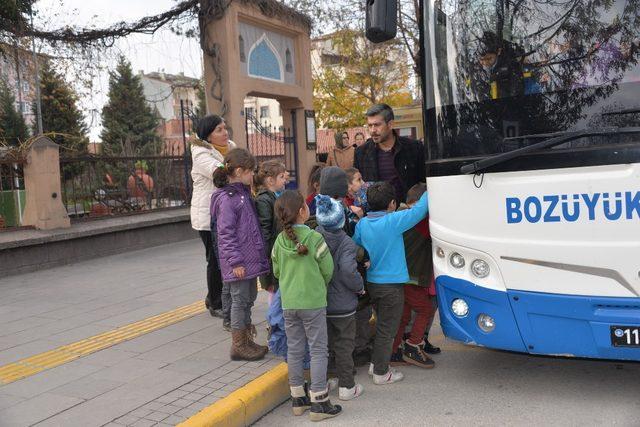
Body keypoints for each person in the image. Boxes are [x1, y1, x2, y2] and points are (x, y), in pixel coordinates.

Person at [271, 190, 342, 421]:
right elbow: (328, 269)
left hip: (289, 303)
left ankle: (298, 399)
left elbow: (276, 271)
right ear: (303, 211)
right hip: (312, 303)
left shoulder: (279, 241)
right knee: (319, 349)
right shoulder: (314, 238)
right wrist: (318, 284)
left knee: (295, 348)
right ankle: (319, 402)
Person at [353, 181, 428, 384]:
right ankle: (381, 373)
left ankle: (375, 364)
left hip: (373, 284)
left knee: (381, 326)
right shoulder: (394, 221)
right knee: (388, 329)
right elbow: (419, 210)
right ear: (392, 204)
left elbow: (355, 246)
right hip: (392, 287)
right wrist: (431, 188)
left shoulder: (362, 224)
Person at [210, 148, 270, 361]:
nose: (253, 175)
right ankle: (238, 345)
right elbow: (224, 234)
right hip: (239, 263)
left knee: (248, 299)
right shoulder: (228, 199)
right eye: (250, 171)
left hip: (248, 260)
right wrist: (235, 261)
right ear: (238, 171)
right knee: (239, 301)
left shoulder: (242, 194)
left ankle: (246, 340)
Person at [315, 194, 365, 401]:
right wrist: (360, 286)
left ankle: (327, 379)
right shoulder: (346, 243)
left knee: (325, 345)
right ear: (342, 220)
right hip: (344, 305)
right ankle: (347, 386)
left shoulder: (314, 236)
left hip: (321, 302)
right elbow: (347, 271)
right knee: (345, 345)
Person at [190, 114, 236, 318]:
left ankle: (213, 296)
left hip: (225, 213)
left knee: (223, 257)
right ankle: (215, 303)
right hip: (207, 215)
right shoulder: (200, 153)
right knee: (215, 260)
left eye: (225, 128)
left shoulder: (230, 147)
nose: (225, 132)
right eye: (219, 129)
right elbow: (218, 172)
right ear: (208, 136)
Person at [390, 183, 435, 368]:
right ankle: (413, 345)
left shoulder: (396, 217)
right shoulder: (419, 222)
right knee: (425, 309)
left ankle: (393, 351)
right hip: (412, 277)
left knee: (403, 316)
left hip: (399, 276)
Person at [354, 104, 426, 204]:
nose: (372, 130)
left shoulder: (414, 148)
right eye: (370, 125)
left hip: (409, 213)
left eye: (377, 125)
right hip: (378, 216)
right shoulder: (361, 153)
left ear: (390, 124)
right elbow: (358, 187)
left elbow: (424, 182)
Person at [254, 160, 287, 293]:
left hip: (276, 253)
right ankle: (274, 314)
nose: (285, 180)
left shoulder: (275, 196)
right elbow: (264, 232)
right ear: (270, 180)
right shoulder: (263, 200)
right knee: (275, 294)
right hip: (271, 258)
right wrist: (266, 261)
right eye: (281, 177)